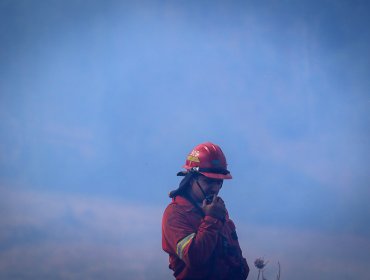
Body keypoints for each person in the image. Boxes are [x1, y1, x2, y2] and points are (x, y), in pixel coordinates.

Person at [162, 142, 249, 280]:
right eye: (209, 181)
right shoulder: (175, 214)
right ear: (191, 179)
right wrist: (212, 218)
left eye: (219, 182)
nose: (215, 189)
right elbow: (195, 258)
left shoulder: (217, 210)